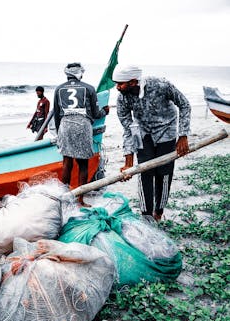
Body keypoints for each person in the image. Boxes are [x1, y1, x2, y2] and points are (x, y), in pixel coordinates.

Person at [112, 65, 191, 222]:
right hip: (143, 134)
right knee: (145, 173)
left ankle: (158, 212)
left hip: (167, 131)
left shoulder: (161, 85)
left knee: (164, 174)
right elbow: (129, 129)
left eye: (120, 83)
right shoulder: (122, 98)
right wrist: (128, 163)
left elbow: (184, 105)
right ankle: (146, 216)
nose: (117, 87)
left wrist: (183, 136)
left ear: (133, 82)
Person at [53, 62, 109, 205]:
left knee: (67, 162)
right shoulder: (89, 88)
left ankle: (64, 198)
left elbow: (57, 115)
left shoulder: (59, 89)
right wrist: (105, 111)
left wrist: (60, 132)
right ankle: (80, 200)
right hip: (82, 125)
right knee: (83, 164)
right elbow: (96, 113)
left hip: (65, 125)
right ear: (80, 74)